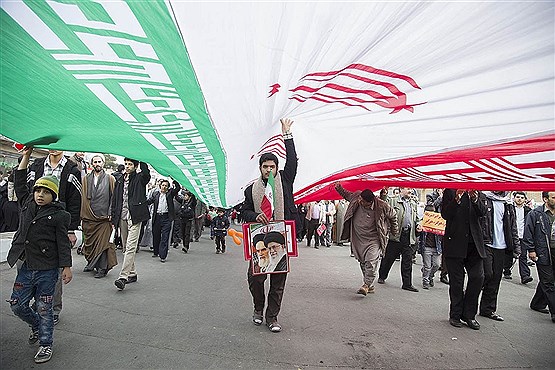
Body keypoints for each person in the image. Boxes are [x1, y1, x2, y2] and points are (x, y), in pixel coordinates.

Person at [7, 147, 72, 364]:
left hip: (47, 270)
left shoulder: (60, 215)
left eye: (45, 192)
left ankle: (45, 344)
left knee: (45, 308)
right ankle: (35, 325)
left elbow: (63, 243)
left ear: (53, 195)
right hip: (26, 267)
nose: (40, 195)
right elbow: (19, 181)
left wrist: (66, 267)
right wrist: (26, 156)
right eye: (37, 191)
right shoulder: (26, 203)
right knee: (17, 305)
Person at [242, 118, 297, 333]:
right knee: (255, 278)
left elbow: (292, 160)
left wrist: (287, 135)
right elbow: (244, 211)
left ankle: (272, 317)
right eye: (265, 167)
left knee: (278, 281)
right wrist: (255, 214)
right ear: (260, 168)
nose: (268, 170)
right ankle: (258, 307)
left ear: (276, 168)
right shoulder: (251, 189)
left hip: (280, 237)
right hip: (259, 240)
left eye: (272, 166)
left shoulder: (285, 181)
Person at [27, 149, 81, 325]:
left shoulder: (72, 169)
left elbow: (75, 200)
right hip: (36, 223)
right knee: (33, 269)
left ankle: (53, 308)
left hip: (58, 222)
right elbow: (26, 191)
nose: (54, 148)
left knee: (55, 269)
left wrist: (71, 229)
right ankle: (38, 303)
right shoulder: (37, 164)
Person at [335, 183, 398, 295]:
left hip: (374, 239)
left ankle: (366, 284)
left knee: (371, 261)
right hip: (359, 238)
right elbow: (346, 194)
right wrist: (339, 188)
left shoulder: (382, 205)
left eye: (364, 202)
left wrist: (394, 231)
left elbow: (393, 216)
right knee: (363, 261)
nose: (361, 202)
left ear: (371, 202)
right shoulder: (357, 198)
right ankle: (370, 284)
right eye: (361, 200)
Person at [441, 189, 487, 330]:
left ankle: (469, 314)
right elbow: (445, 214)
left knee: (478, 277)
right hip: (455, 243)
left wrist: (475, 199)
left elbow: (483, 212)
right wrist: (456, 200)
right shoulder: (450, 191)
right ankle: (455, 315)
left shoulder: (478, 192)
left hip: (474, 244)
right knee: (457, 282)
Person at [479, 191, 520, 322]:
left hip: (501, 246)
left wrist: (516, 246)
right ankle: (468, 304)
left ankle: (488, 309)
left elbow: (513, 227)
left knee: (496, 278)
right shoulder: (484, 199)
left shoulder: (508, 204)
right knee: (486, 274)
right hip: (486, 243)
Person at [112, 158, 151, 290]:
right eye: (126, 164)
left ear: (135, 166)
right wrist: (113, 219)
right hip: (122, 216)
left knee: (130, 247)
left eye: (130, 165)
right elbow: (115, 199)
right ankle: (132, 273)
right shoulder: (120, 179)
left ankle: (123, 277)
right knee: (125, 247)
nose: (128, 167)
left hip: (135, 216)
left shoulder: (140, 178)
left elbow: (146, 174)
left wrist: (141, 157)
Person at [378, 187, 422, 292]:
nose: (411, 191)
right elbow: (383, 202)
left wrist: (418, 224)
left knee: (407, 260)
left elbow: (417, 218)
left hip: (408, 236)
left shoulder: (413, 203)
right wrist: (384, 193)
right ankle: (382, 275)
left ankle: (407, 284)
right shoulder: (393, 200)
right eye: (408, 188)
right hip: (396, 235)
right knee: (388, 258)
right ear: (401, 189)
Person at [81, 154, 117, 278]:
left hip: (104, 218)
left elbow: (114, 197)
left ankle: (102, 268)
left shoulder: (110, 178)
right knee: (89, 243)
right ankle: (91, 263)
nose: (97, 164)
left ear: (103, 163)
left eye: (99, 162)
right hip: (90, 217)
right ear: (92, 164)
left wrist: (111, 213)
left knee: (103, 244)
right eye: (95, 162)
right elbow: (83, 197)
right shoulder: (86, 178)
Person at [522, 191, 555, 323]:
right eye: (554, 197)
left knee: (548, 280)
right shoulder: (535, 214)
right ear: (545, 199)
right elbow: (528, 232)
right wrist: (531, 250)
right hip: (542, 251)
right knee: (548, 282)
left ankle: (537, 303)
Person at [147, 179, 180, 262]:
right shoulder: (155, 194)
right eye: (163, 185)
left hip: (166, 218)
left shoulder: (170, 194)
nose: (164, 187)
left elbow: (178, 188)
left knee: (165, 237)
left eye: (166, 185)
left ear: (168, 187)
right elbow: (149, 201)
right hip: (157, 217)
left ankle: (163, 256)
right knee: (156, 235)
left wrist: (174, 180)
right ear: (160, 186)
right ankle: (156, 251)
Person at [505, 191, 533, 284]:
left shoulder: (528, 211)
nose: (519, 199)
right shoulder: (509, 208)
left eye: (522, 197)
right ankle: (507, 270)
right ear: (514, 198)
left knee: (523, 255)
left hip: (523, 236)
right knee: (509, 253)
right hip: (511, 235)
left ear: (525, 200)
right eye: (518, 197)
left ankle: (525, 275)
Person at [419, 202, 442, 289]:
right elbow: (418, 233)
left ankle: (430, 276)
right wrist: (419, 229)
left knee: (436, 265)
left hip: (436, 247)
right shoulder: (422, 222)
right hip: (427, 247)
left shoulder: (437, 222)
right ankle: (425, 281)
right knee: (427, 266)